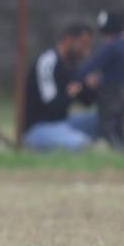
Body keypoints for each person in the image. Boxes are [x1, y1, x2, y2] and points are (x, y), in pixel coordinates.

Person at [22, 23, 98, 151]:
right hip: (39, 127)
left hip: (63, 122)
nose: (86, 51)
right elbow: (51, 105)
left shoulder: (72, 65)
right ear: (68, 40)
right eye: (82, 44)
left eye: (88, 46)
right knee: (81, 144)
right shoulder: (48, 62)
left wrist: (90, 86)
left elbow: (87, 101)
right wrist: (70, 92)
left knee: (104, 121)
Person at [77, 11, 124, 149]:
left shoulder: (110, 47)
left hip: (109, 93)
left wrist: (78, 77)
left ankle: (118, 150)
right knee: (119, 125)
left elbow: (93, 64)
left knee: (106, 125)